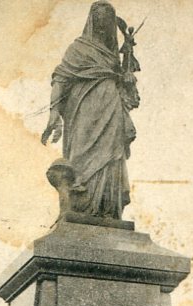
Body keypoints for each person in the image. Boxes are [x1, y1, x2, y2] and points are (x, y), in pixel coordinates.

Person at [41, 1, 139, 220]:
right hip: (83, 110)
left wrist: (127, 76)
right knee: (81, 157)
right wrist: (53, 113)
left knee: (111, 157)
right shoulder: (78, 49)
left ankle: (108, 210)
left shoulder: (113, 56)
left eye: (107, 21)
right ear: (92, 22)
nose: (103, 26)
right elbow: (61, 79)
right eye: (99, 20)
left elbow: (125, 87)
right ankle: (81, 205)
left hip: (111, 109)